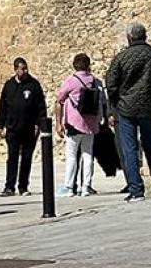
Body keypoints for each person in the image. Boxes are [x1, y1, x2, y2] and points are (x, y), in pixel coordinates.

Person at [105, 22, 151, 201]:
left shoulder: (121, 58)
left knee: (130, 150)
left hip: (127, 108)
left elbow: (111, 84)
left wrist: (114, 104)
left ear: (129, 37)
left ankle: (136, 190)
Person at [53, 53, 106, 197]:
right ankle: (86, 187)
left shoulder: (71, 81)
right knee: (88, 154)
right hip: (91, 124)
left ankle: (69, 187)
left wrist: (58, 122)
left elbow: (59, 100)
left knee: (71, 155)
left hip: (74, 123)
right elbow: (102, 101)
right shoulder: (96, 82)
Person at [0, 57, 47, 196]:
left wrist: (39, 123)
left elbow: (40, 105)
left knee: (26, 158)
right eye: (22, 69)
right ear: (15, 69)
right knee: (12, 158)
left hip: (29, 128)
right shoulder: (9, 86)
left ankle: (23, 186)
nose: (24, 71)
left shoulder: (33, 85)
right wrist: (0, 125)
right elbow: (3, 106)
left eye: (26, 68)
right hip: (12, 128)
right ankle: (9, 186)